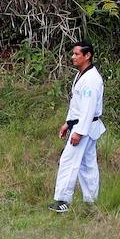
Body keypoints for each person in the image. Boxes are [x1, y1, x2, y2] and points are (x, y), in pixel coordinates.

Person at [49, 40, 104, 213]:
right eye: (73, 54)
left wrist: (78, 132)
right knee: (87, 165)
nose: (73, 57)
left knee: (68, 161)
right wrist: (68, 123)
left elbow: (88, 110)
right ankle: (91, 202)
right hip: (81, 125)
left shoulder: (91, 80)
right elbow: (77, 105)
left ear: (87, 56)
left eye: (76, 54)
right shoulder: (83, 74)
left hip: (84, 128)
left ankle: (62, 201)